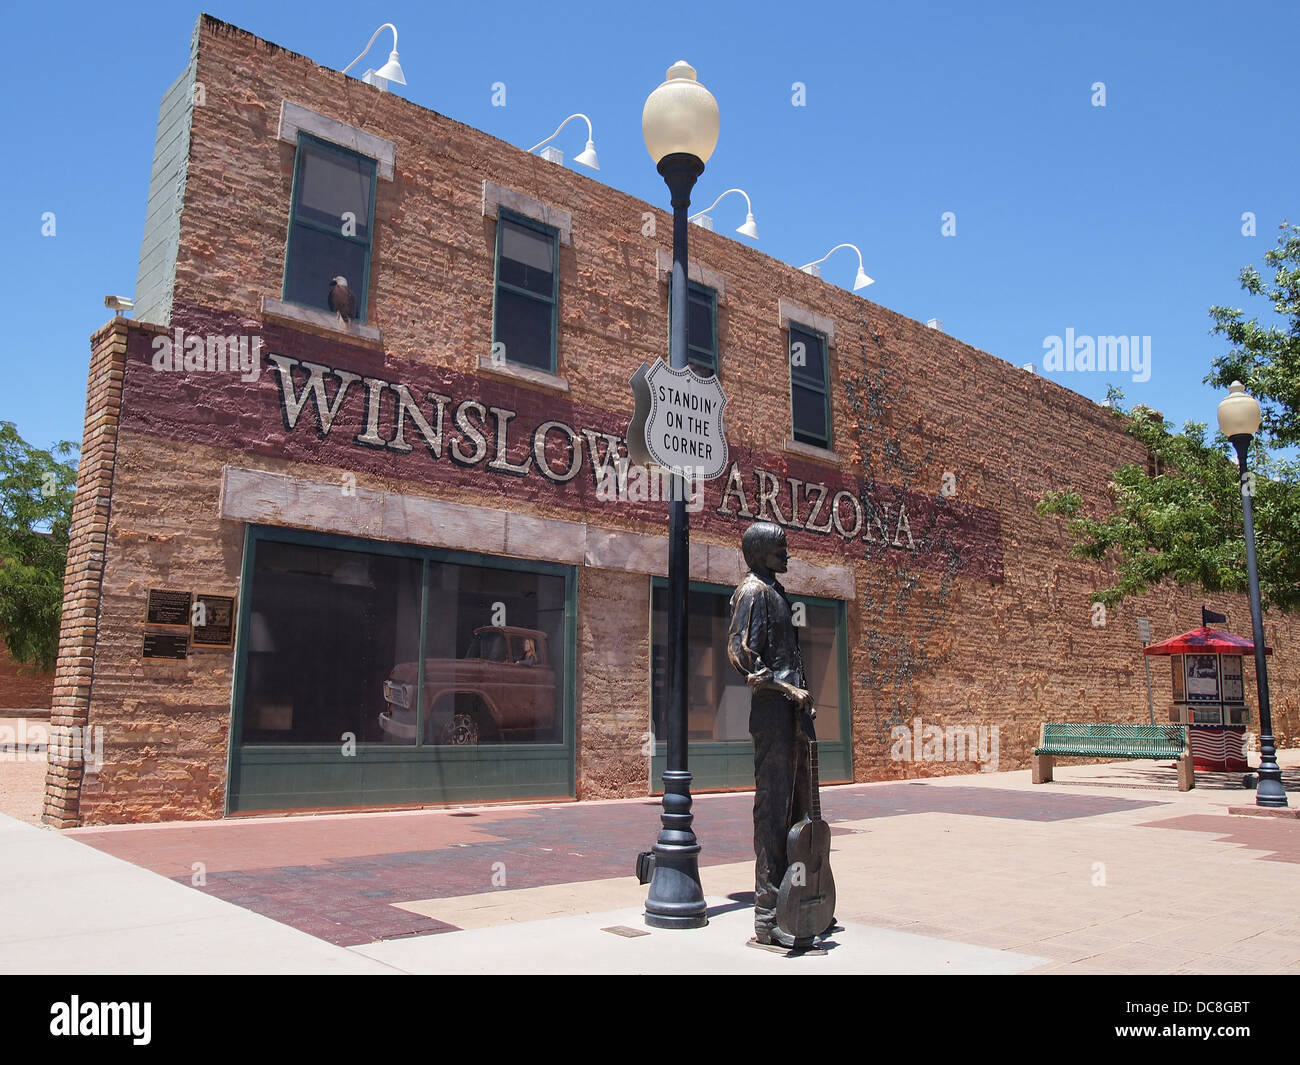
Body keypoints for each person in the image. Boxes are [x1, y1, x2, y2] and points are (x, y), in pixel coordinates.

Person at [727, 520, 821, 946]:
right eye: (781, 547)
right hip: (772, 714)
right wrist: (787, 688)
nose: (788, 553)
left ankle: (798, 900)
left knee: (800, 808)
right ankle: (768, 914)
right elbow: (741, 655)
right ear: (760, 550)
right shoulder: (752, 593)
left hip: (794, 715)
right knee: (772, 810)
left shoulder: (776, 592)